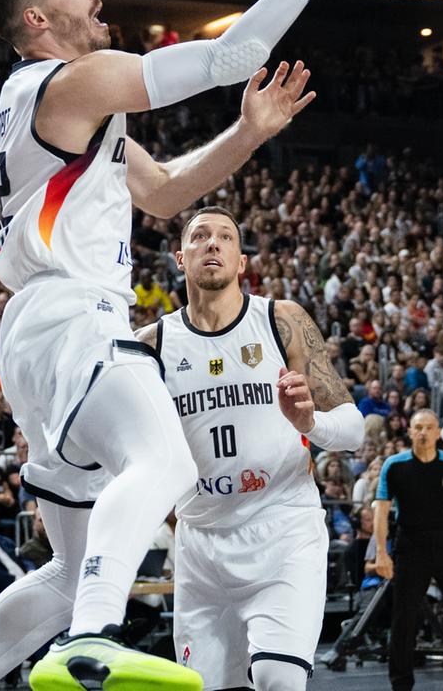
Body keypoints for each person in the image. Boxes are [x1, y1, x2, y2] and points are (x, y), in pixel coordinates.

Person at [0, 0, 381, 691]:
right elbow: (227, 58)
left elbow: (166, 194)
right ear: (36, 20)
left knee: (72, 569)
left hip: (38, 334)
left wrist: (248, 133)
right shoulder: (71, 82)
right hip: (74, 318)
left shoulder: (57, 111)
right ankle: (92, 641)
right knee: (168, 464)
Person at [132, 205, 363, 691]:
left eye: (225, 238)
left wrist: (310, 422)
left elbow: (354, 429)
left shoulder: (282, 322)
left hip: (282, 528)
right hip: (200, 544)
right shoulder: (150, 345)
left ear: (241, 262)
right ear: (180, 257)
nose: (212, 244)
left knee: (277, 677)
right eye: (199, 236)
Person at [372, 409, 443, 691]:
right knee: (404, 619)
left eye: (429, 427)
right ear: (410, 431)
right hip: (410, 546)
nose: (423, 432)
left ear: (438, 432)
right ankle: (401, 683)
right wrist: (381, 553)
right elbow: (381, 512)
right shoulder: (394, 465)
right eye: (418, 427)